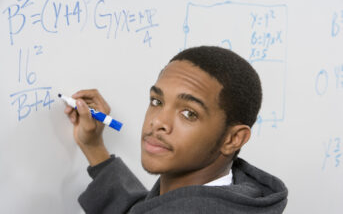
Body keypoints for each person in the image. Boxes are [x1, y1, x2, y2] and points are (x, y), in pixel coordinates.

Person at [64, 46, 288, 214]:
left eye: (189, 113)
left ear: (233, 138)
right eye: (157, 102)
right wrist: (93, 147)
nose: (158, 122)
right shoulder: (230, 196)